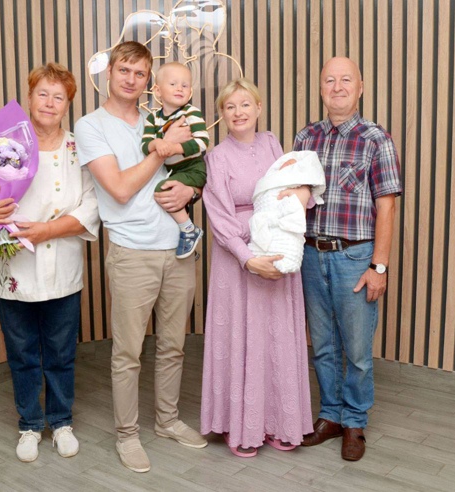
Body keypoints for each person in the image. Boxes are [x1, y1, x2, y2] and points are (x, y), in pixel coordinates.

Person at [74, 41, 207, 474]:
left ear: (149, 80)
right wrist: (161, 149)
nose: (131, 79)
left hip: (178, 248)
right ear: (109, 73)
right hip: (132, 253)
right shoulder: (91, 126)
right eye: (124, 70)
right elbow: (119, 188)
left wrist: (192, 190)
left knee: (173, 346)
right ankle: (127, 435)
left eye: (140, 73)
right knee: (128, 352)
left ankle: (167, 421)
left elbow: (191, 163)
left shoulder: (159, 118)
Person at [0, 63, 100, 463]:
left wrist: (47, 231)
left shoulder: (80, 149)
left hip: (63, 267)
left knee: (61, 352)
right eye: (43, 94)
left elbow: (92, 206)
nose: (50, 103)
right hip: (13, 271)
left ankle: (61, 421)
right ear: (29, 97)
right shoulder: (1, 148)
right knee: (22, 354)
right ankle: (30, 425)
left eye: (59, 97)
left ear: (68, 104)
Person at [294, 57, 402, 461]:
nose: (337, 87)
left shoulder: (376, 139)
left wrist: (379, 266)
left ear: (360, 87)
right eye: (329, 80)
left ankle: (355, 421)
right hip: (311, 255)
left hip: (355, 258)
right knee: (322, 345)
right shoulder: (305, 138)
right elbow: (291, 199)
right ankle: (330, 415)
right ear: (321, 88)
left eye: (345, 80)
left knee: (356, 350)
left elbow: (387, 206)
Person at [200, 78, 314, 458]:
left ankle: (280, 422)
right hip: (236, 260)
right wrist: (247, 257)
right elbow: (218, 216)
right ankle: (241, 427)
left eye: (245, 104)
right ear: (222, 113)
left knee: (275, 337)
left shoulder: (272, 144)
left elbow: (294, 187)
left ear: (259, 108)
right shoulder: (217, 157)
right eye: (230, 106)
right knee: (241, 337)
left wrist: (301, 196)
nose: (239, 112)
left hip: (278, 247)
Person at [141, 62, 208, 259]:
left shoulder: (191, 112)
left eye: (185, 85)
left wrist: (173, 148)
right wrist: (157, 143)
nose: (180, 88)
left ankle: (188, 229)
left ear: (190, 91)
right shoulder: (153, 118)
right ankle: (185, 235)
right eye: (173, 84)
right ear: (157, 90)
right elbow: (145, 145)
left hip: (193, 168)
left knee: (162, 188)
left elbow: (203, 142)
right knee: (167, 194)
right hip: (175, 171)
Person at [248, 150, 326, 273]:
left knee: (287, 242)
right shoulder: (269, 181)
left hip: (288, 226)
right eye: (286, 164)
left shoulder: (271, 144)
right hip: (257, 226)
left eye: (292, 165)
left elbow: (307, 192)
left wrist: (304, 191)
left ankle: (284, 256)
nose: (287, 164)